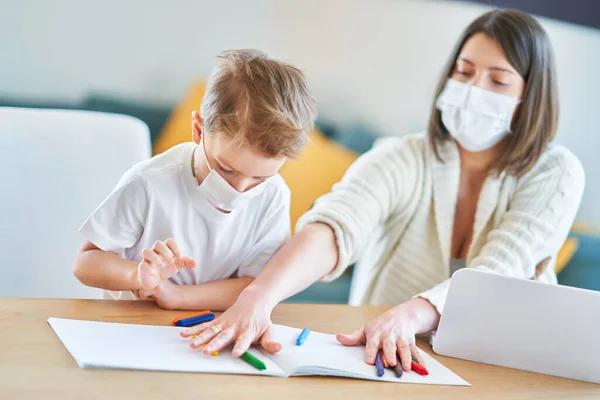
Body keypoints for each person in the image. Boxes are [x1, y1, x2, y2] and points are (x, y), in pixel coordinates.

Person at [182, 9, 586, 371]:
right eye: (463, 73)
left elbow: (501, 270)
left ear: (530, 96)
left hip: (503, 362)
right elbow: (336, 224)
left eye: (498, 81)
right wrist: (259, 297)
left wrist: (410, 316)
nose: (474, 90)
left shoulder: (557, 173)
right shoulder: (402, 156)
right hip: (379, 357)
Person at [72, 49, 317, 311]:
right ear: (199, 130)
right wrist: (137, 275)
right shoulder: (149, 183)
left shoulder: (274, 195)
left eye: (260, 177)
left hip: (213, 327)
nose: (239, 190)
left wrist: (180, 297)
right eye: (226, 169)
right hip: (135, 324)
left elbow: (258, 285)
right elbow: (86, 263)